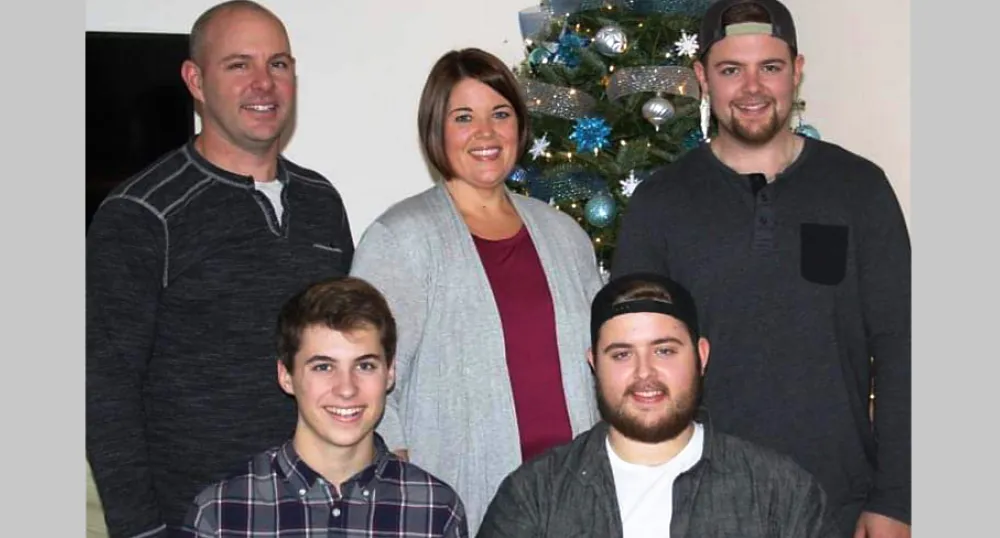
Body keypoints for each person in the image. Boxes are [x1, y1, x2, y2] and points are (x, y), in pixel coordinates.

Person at [610, 1, 911, 536]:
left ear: (796, 71)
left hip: (839, 504)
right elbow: (635, 365)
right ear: (703, 77)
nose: (752, 88)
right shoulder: (660, 203)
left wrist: (896, 499)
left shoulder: (859, 189)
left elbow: (903, 348)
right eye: (731, 69)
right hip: (699, 507)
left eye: (769, 67)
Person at [86, 2, 355, 536]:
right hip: (196, 519)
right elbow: (105, 391)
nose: (264, 83)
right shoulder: (142, 214)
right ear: (196, 80)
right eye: (239, 65)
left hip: (321, 513)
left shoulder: (321, 200)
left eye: (278, 64)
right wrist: (142, 530)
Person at [348, 47, 604, 533]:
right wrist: (400, 483)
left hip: (573, 499)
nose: (485, 133)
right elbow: (364, 372)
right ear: (436, 129)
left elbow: (601, 365)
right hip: (458, 501)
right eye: (463, 117)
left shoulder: (565, 236)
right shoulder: (400, 239)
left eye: (500, 114)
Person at [477, 272, 837, 538]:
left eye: (664, 351)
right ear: (594, 363)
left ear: (701, 356)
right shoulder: (534, 496)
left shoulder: (779, 492)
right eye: (621, 354)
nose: (644, 373)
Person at [180, 276, 468, 537]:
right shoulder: (223, 515)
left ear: (390, 373)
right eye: (323, 367)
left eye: (365, 366)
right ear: (286, 376)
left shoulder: (435, 512)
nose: (346, 388)